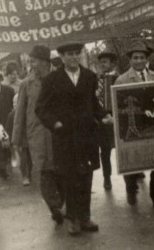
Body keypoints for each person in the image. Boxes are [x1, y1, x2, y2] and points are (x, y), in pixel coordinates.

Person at [35, 42, 113, 236]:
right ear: (62, 57)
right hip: (65, 137)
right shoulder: (52, 80)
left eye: (77, 54)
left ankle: (85, 217)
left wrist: (103, 115)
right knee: (69, 177)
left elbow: (93, 102)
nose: (74, 58)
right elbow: (41, 109)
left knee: (86, 176)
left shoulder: (89, 76)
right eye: (69, 54)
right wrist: (55, 124)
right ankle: (72, 218)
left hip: (87, 135)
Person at [12, 45, 65, 224]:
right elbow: (20, 112)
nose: (30, 64)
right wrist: (16, 138)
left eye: (33, 60)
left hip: (57, 131)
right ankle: (54, 206)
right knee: (43, 170)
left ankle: (60, 201)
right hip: (37, 133)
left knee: (60, 168)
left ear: (44, 61)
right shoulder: (27, 83)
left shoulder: (60, 78)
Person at [114, 41, 154, 207]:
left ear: (147, 59)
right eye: (135, 58)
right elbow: (118, 106)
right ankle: (131, 187)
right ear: (130, 60)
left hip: (153, 124)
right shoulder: (122, 80)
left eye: (142, 57)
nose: (138, 61)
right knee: (132, 160)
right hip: (133, 125)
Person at [96, 48, 120, 191]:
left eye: (105, 62)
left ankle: (135, 175)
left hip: (118, 117)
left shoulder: (119, 78)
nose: (102, 65)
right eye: (101, 62)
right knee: (105, 151)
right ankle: (107, 178)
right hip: (104, 119)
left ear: (112, 64)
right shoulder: (97, 80)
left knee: (125, 149)